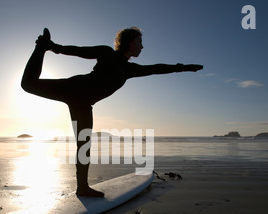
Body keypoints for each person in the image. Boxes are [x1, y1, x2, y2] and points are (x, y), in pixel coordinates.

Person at [21, 27, 203, 197]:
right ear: (129, 42)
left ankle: (82, 188)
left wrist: (183, 67)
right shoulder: (107, 52)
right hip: (74, 87)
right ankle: (42, 46)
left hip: (84, 104)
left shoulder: (129, 69)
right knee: (28, 84)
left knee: (84, 145)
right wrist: (53, 47)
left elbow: (156, 68)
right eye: (139, 41)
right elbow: (79, 51)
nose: (142, 46)